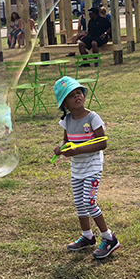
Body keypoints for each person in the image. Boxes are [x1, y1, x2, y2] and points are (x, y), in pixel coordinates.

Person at [53, 76, 120, 259]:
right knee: (80, 204)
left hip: (92, 167)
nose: (77, 96)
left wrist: (77, 150)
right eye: (71, 95)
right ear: (64, 104)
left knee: (89, 202)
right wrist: (61, 148)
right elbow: (66, 140)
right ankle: (87, 237)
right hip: (77, 168)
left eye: (79, 92)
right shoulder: (66, 121)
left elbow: (102, 143)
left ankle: (109, 237)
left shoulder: (92, 117)